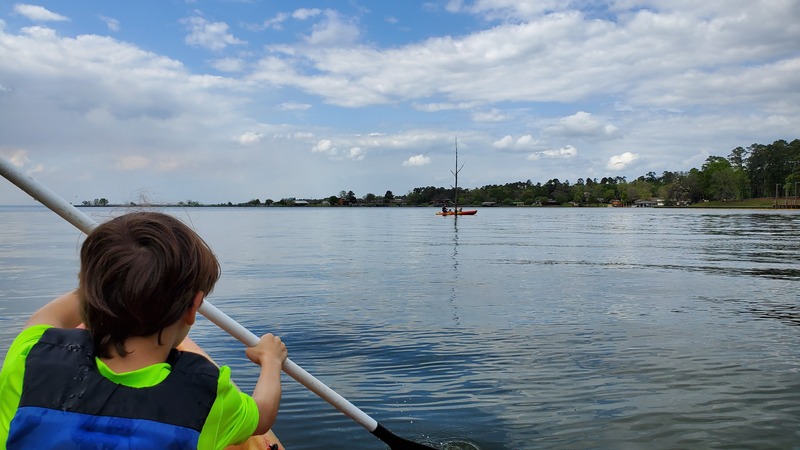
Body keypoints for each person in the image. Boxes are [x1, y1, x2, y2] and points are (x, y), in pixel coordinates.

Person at [0, 212, 287, 449]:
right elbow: (262, 416)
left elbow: (50, 316)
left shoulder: (29, 356)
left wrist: (111, 276)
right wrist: (271, 361)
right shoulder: (208, 397)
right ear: (193, 307)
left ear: (88, 291)